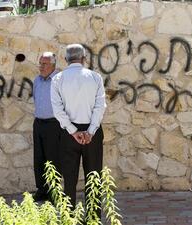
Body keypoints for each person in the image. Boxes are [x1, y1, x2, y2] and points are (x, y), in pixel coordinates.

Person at [51, 44, 106, 218]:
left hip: (68, 135)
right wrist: (90, 131)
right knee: (94, 176)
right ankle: (93, 218)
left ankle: (69, 218)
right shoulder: (95, 77)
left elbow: (57, 110)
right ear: (83, 58)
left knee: (69, 178)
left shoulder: (58, 79)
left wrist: (73, 131)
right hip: (92, 133)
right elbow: (100, 106)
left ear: (66, 59)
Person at [32, 52, 62, 202]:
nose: (41, 67)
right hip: (38, 123)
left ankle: (55, 191)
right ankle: (42, 190)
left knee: (53, 157)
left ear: (53, 65)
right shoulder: (37, 80)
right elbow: (36, 98)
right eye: (40, 63)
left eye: (44, 64)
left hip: (54, 124)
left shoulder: (59, 80)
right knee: (39, 158)